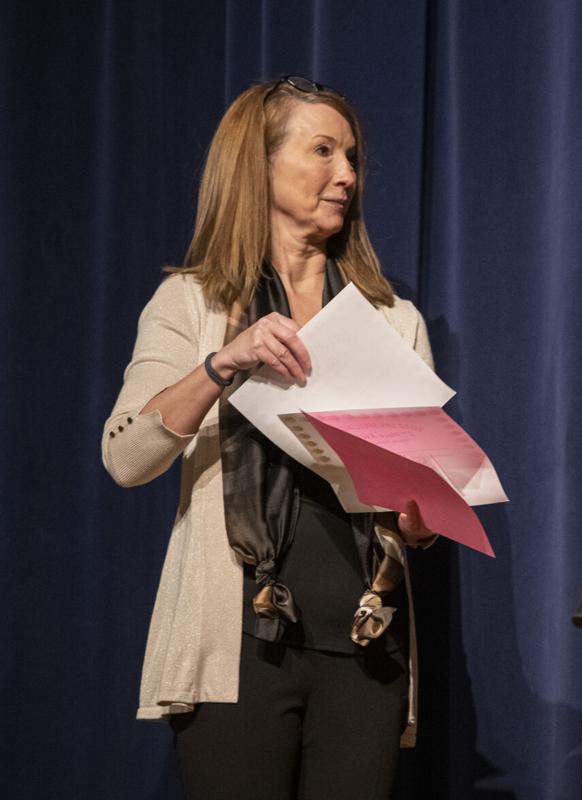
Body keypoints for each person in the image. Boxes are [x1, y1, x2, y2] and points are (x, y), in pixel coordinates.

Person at [102, 75, 438, 799]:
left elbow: (417, 500)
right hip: (241, 643)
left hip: (364, 642)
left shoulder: (394, 321)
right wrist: (223, 362)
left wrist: (421, 519)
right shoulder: (192, 303)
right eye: (322, 151)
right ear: (259, 164)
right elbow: (126, 457)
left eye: (351, 156)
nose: (346, 174)